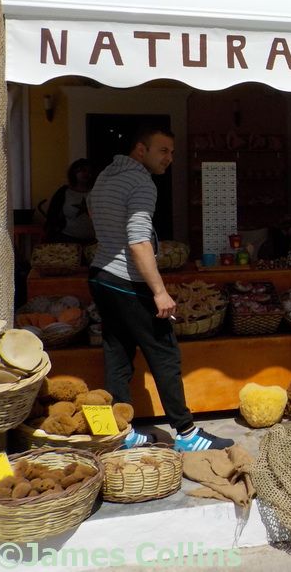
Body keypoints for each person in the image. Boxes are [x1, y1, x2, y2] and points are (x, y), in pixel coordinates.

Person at [88, 125, 233, 452]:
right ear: (141, 151)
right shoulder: (141, 182)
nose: (170, 158)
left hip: (100, 275)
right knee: (165, 353)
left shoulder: (106, 176)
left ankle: (121, 432)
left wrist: (109, 240)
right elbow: (138, 240)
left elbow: (92, 209)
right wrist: (159, 291)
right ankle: (186, 434)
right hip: (127, 281)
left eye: (172, 151)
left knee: (118, 352)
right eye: (163, 151)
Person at [44, 158, 96, 244]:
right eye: (83, 170)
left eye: (89, 171)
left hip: (93, 241)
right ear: (74, 172)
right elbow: (53, 216)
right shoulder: (63, 193)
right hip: (67, 240)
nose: (87, 174)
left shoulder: (97, 192)